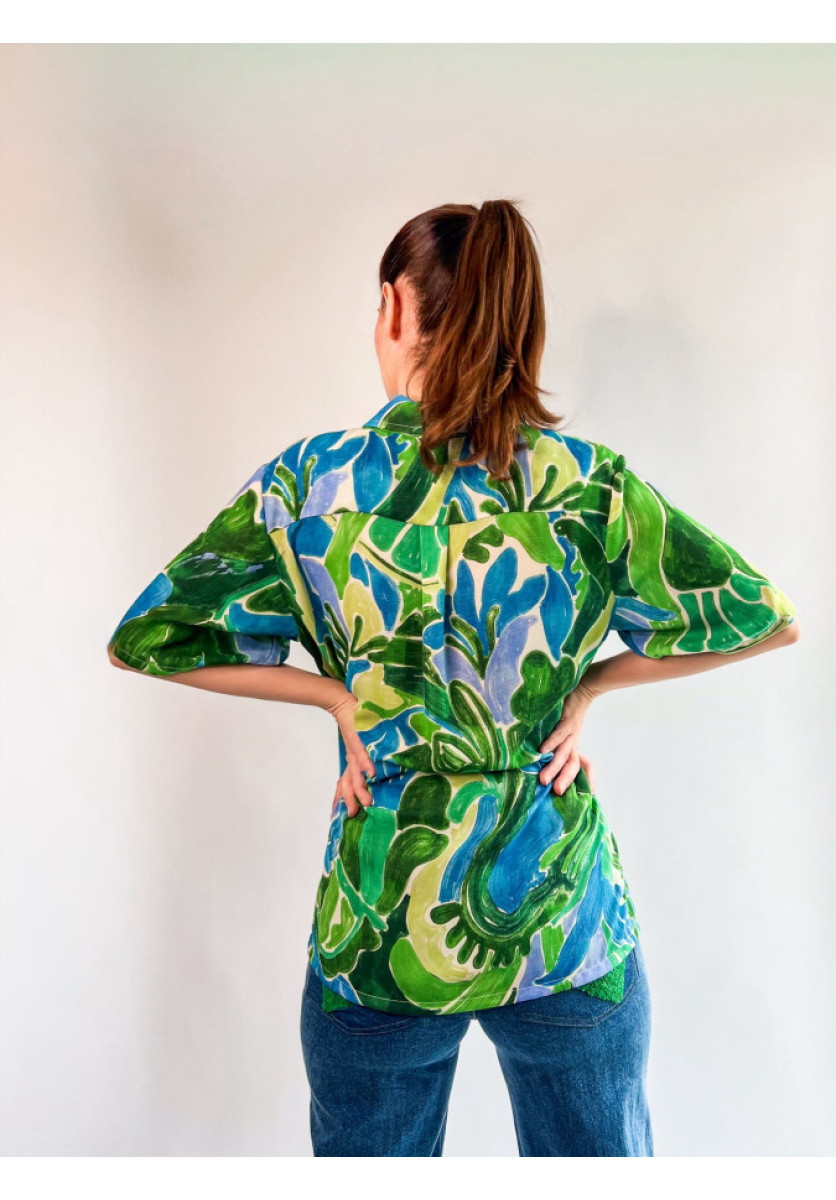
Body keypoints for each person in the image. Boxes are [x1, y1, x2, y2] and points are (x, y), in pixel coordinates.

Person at [107, 199, 800, 1157]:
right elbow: (764, 618)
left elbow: (150, 636)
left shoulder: (310, 485)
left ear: (396, 307)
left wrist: (335, 695)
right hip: (560, 921)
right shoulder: (586, 485)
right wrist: (586, 687)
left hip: (382, 926)